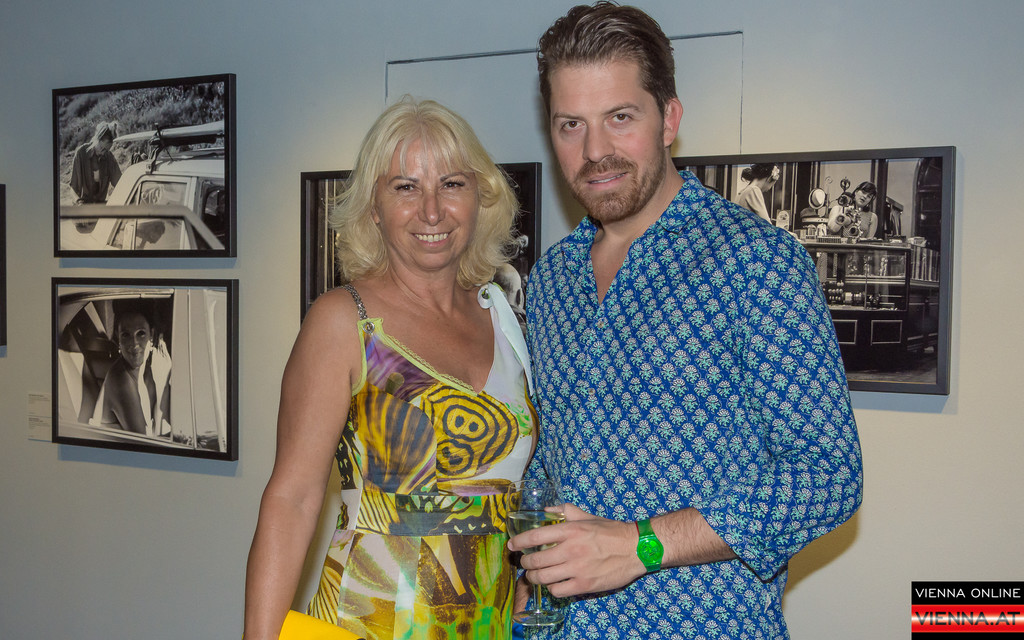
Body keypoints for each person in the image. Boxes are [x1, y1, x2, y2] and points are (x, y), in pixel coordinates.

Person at [508, 3, 863, 638]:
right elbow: (553, 461)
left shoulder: (755, 261)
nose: (595, 150)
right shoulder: (552, 281)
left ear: (669, 118)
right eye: (571, 125)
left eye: (620, 117)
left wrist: (641, 545)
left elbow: (826, 477)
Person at [244, 97, 537, 640]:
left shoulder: (504, 317)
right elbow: (293, 499)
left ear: (481, 198)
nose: (432, 211)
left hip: (486, 625)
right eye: (405, 187)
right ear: (374, 208)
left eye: (452, 184)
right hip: (365, 619)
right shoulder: (343, 321)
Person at [91, 306, 171, 436]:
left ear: (151, 334)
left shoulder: (151, 368)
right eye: (126, 335)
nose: (134, 343)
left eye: (141, 333)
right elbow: (147, 443)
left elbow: (159, 429)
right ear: (118, 337)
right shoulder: (120, 380)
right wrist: (163, 384)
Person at [70, 121, 122, 204]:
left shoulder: (109, 157)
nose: (103, 153)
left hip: (100, 207)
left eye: (106, 150)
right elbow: (73, 188)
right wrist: (78, 201)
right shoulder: (81, 154)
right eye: (102, 148)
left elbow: (120, 184)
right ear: (96, 139)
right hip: (82, 206)